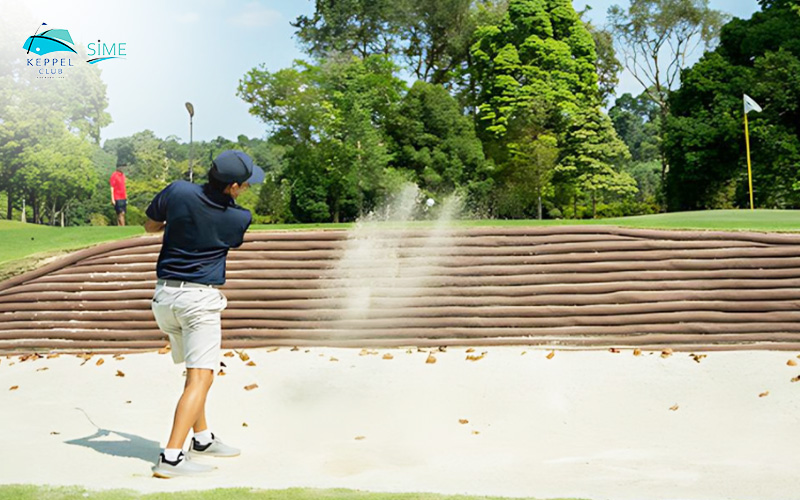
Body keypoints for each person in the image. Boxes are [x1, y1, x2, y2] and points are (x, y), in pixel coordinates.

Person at [144, 150, 265, 478]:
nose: (247, 189)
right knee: (203, 376)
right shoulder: (239, 218)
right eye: (245, 185)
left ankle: (202, 438)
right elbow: (221, 230)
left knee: (194, 372)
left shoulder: (178, 190)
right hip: (198, 303)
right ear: (234, 187)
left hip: (164, 298)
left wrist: (181, 214)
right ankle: (170, 458)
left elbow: (151, 226)